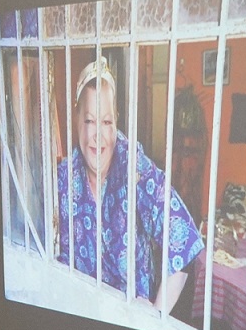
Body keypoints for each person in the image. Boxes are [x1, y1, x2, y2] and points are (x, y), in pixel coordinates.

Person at [47, 58, 206, 315]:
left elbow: (182, 240)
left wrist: (156, 314)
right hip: (78, 317)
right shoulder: (62, 178)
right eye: (89, 121)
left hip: (129, 327)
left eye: (107, 122)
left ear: (117, 121)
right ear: (75, 118)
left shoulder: (134, 167)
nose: (98, 134)